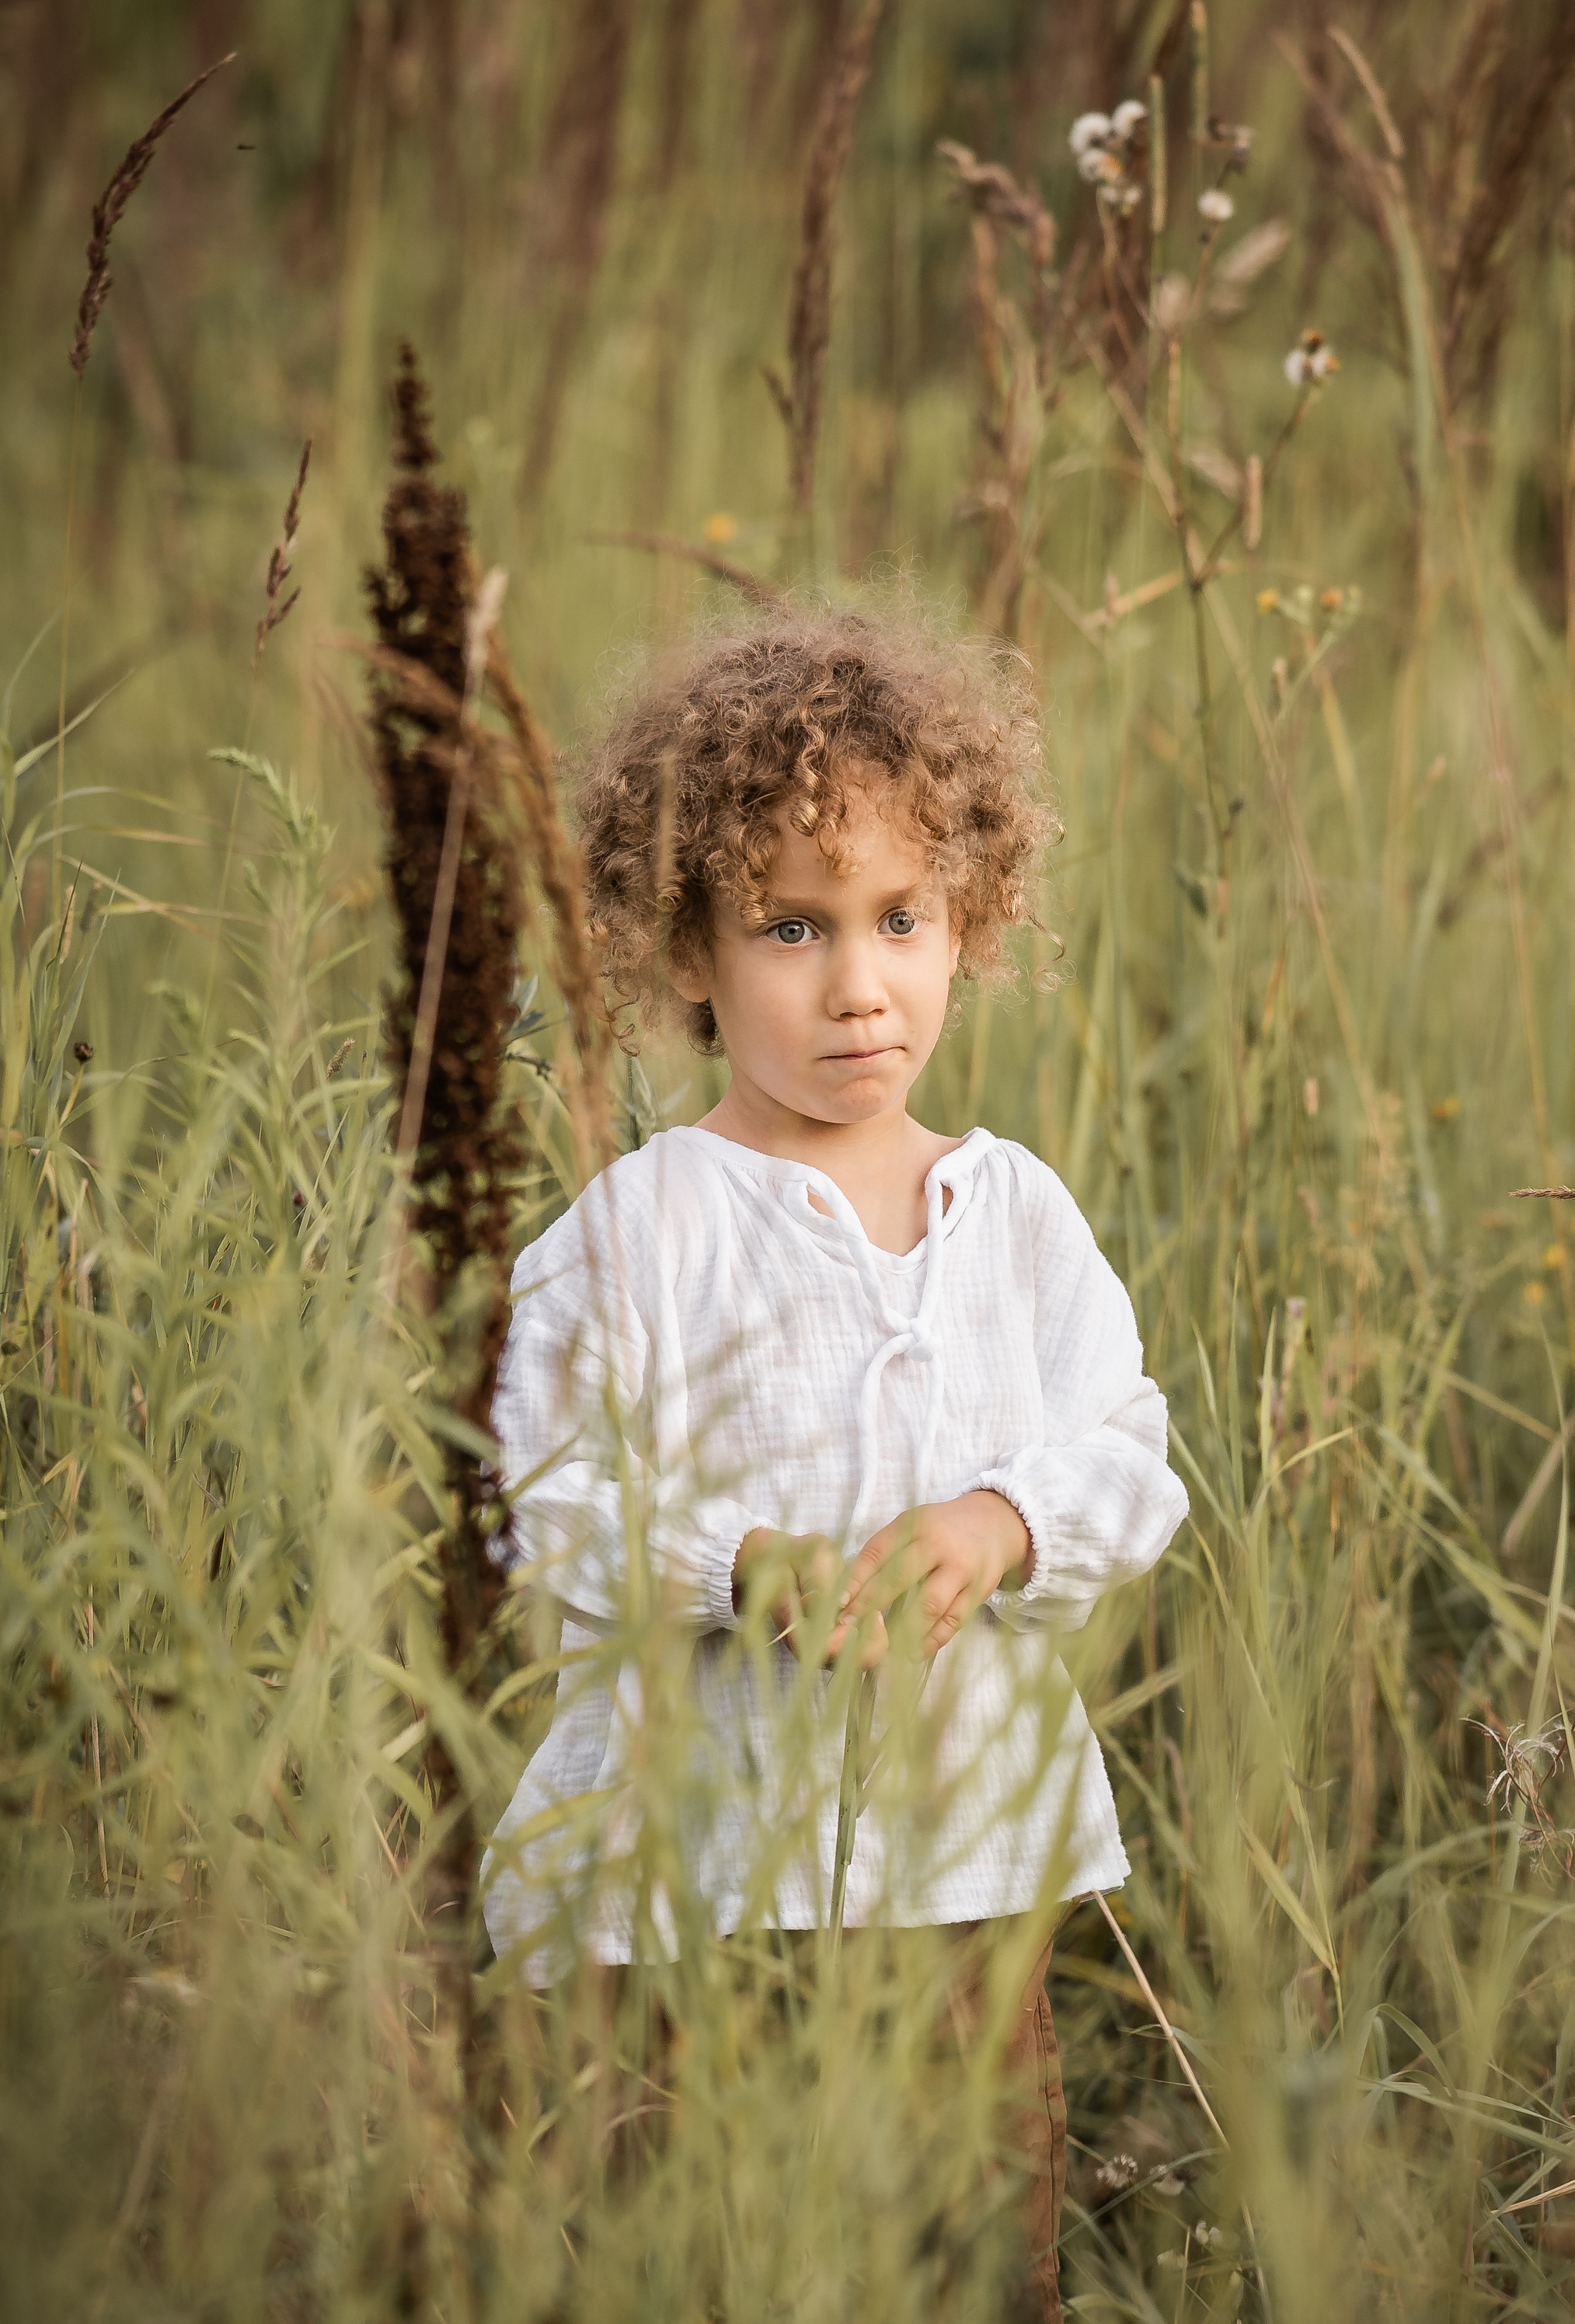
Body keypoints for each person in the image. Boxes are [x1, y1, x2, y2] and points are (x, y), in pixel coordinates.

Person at [483, 606, 1187, 2319]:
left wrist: (1005, 1518)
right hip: (688, 1874)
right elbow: (535, 1488)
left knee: (969, 2240)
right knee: (692, 2234)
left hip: (960, 1862)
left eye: (900, 918)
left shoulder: (1010, 1210)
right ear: (691, 951)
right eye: (790, 925)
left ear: (971, 923)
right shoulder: (636, 1228)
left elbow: (1128, 1444)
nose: (857, 982)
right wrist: (733, 1565)